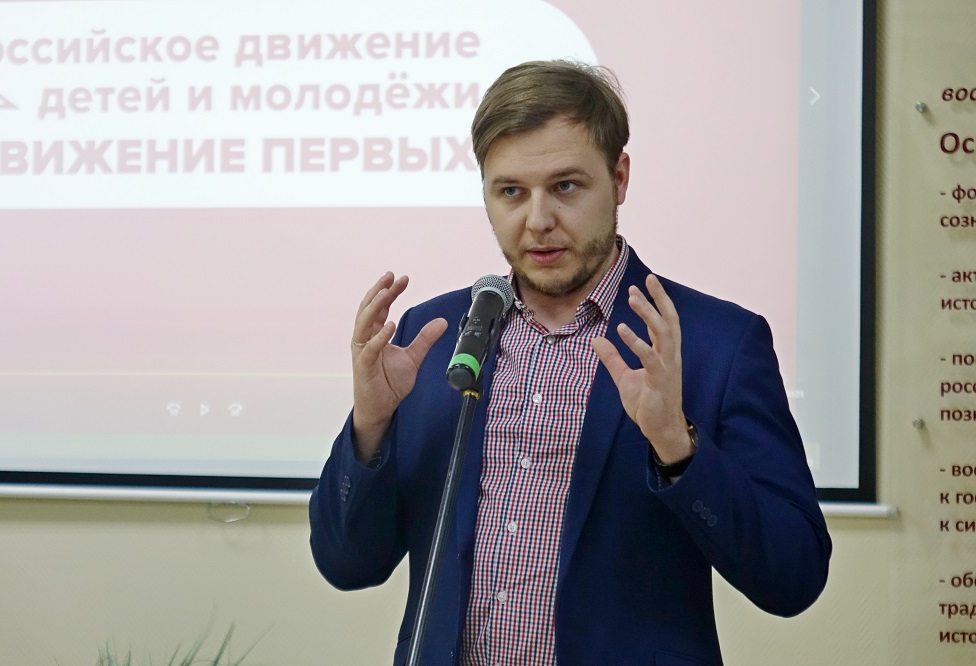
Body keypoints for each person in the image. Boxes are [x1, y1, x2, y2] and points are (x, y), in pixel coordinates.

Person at [309, 60, 831, 666]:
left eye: (565, 187)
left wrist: (677, 446)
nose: (537, 221)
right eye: (511, 192)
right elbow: (346, 565)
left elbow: (793, 578)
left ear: (619, 178)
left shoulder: (716, 345)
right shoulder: (435, 341)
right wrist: (370, 428)